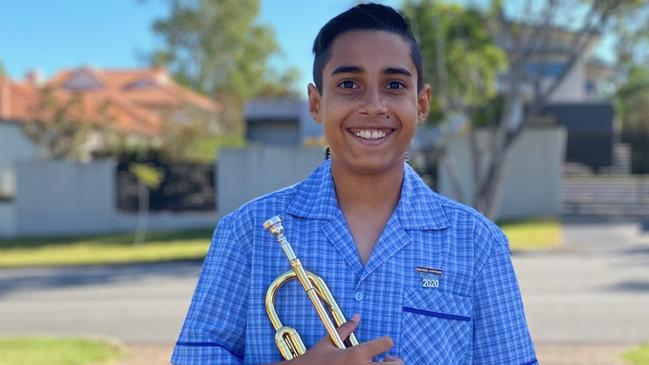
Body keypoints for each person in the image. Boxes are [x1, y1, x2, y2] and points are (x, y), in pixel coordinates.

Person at [171, 3, 537, 364]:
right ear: (316, 103)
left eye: (394, 85)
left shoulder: (478, 244)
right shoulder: (247, 232)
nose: (374, 105)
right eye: (349, 84)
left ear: (421, 104)